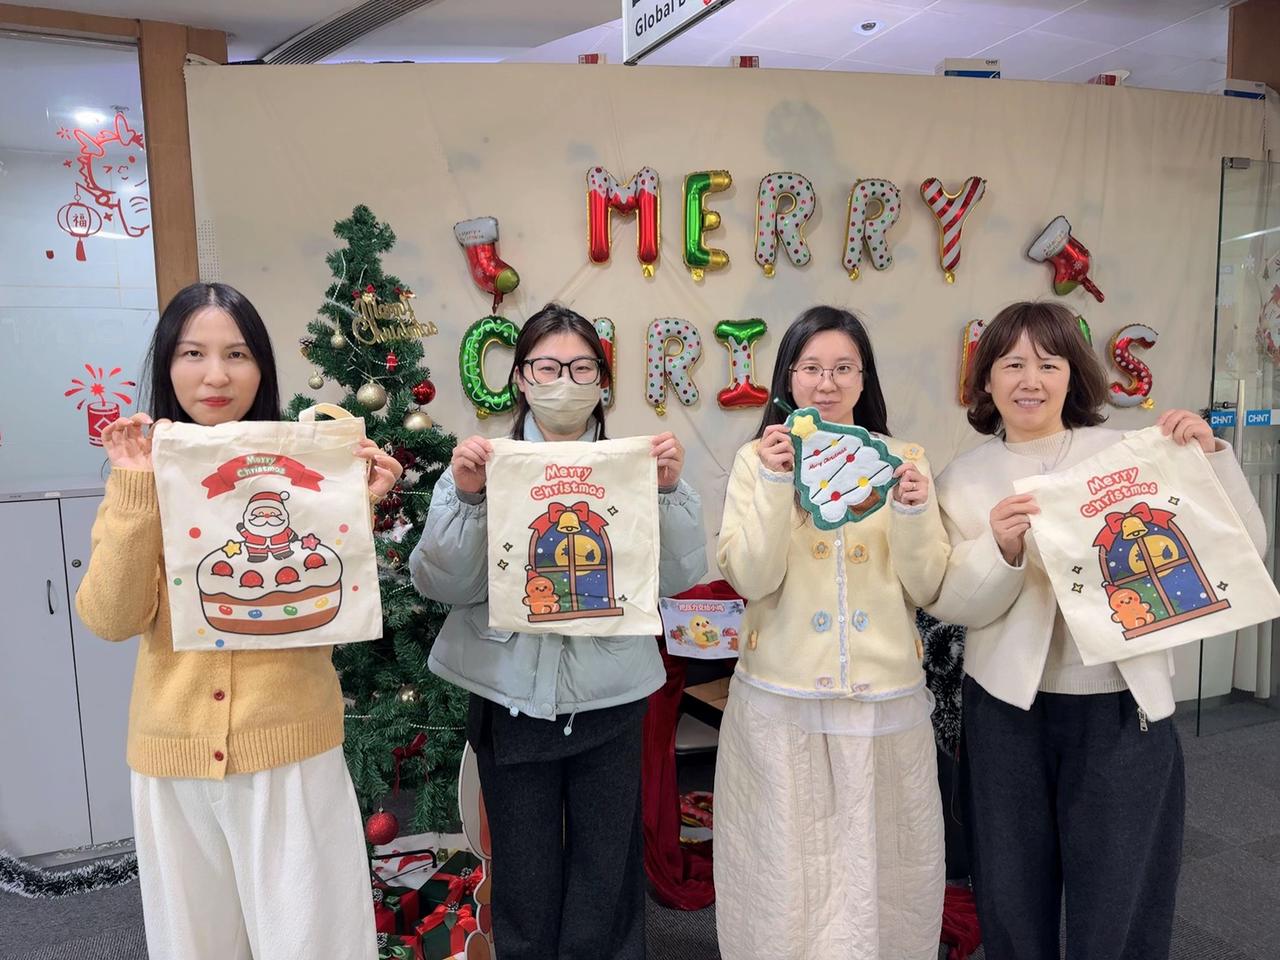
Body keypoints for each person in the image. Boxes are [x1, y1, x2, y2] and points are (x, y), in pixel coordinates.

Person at [927, 300, 1266, 959]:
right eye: (1012, 363)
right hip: (1007, 715)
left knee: (1121, 897)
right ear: (986, 381)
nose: (1031, 379)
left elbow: (1241, 546)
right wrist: (998, 547)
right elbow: (952, 603)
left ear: (1073, 376)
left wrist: (1210, 456)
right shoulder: (963, 480)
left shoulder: (1131, 455)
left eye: (1048, 363)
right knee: (1010, 893)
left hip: (1124, 711)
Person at [75, 282, 400, 960]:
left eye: (237, 353)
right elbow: (111, 617)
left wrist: (355, 507)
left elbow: (328, 613)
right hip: (174, 759)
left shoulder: (310, 467)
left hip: (290, 750)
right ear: (167, 364)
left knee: (315, 944)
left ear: (262, 368)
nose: (216, 374)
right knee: (195, 947)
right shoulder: (142, 473)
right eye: (193, 352)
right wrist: (137, 490)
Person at [410, 303, 707, 960]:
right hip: (510, 700)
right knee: (526, 879)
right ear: (520, 378)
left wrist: (669, 493)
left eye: (581, 367)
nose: (564, 382)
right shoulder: (484, 465)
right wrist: (464, 499)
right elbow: (443, 584)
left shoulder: (635, 470)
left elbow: (681, 579)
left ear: (604, 381)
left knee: (607, 876)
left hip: (610, 698)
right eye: (548, 366)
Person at [714, 305, 950, 960]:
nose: (827, 382)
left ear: (864, 376)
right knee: (783, 872)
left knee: (887, 870)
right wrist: (772, 481)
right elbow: (750, 578)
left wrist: (911, 510)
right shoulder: (755, 459)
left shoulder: (903, 460)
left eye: (844, 367)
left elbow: (927, 583)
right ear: (788, 377)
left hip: (883, 701)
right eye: (812, 367)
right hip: (782, 701)